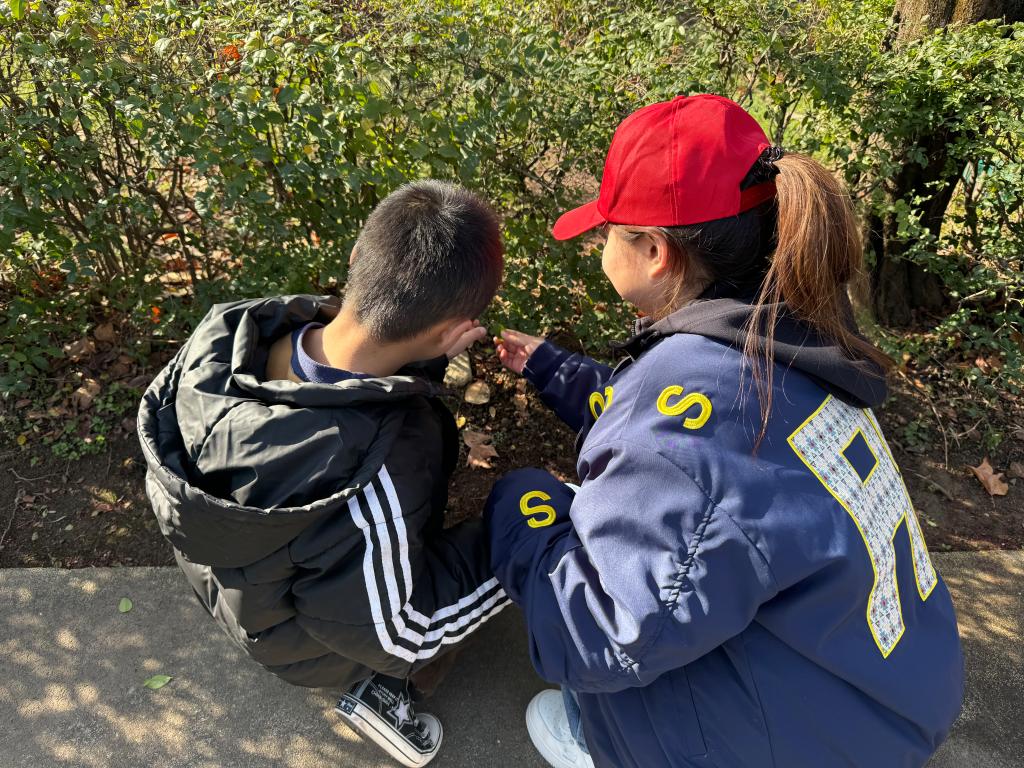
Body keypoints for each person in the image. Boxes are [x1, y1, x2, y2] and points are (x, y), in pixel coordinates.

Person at [485, 95, 964, 768]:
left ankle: (595, 741)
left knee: (587, 586)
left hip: (812, 752)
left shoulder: (695, 396)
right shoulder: (785, 332)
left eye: (607, 231)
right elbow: (674, 435)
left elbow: (597, 635)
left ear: (654, 251)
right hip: (884, 698)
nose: (599, 244)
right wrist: (552, 369)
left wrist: (522, 505)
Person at [138, 180, 509, 768]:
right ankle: (383, 693)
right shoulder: (373, 468)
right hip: (305, 645)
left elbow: (367, 364)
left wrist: (428, 355)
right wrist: (513, 548)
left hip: (233, 587)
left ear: (358, 256)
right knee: (486, 571)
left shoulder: (233, 336)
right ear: (451, 331)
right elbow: (400, 632)